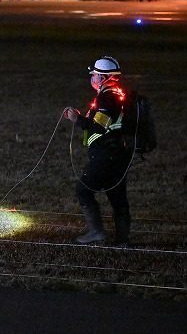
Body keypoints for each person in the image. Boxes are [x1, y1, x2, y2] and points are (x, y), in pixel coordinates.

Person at [64, 56, 131, 245]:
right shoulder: (117, 95)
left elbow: (98, 127)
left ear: (103, 77)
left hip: (105, 155)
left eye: (94, 74)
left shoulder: (107, 98)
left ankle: (96, 232)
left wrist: (76, 119)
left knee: (83, 190)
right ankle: (122, 240)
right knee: (118, 198)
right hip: (118, 155)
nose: (92, 78)